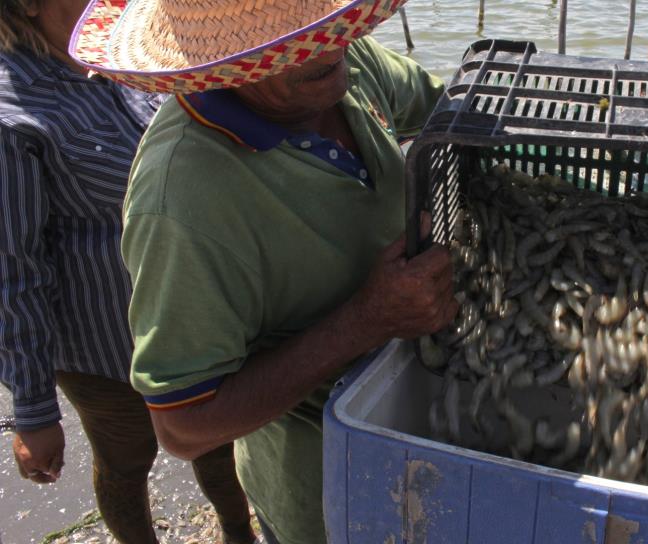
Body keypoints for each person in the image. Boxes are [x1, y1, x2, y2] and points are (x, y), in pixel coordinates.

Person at [70, 1, 457, 542]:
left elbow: (450, 115)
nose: (330, 46)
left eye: (328, 25)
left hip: (429, 406)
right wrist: (367, 319)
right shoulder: (183, 202)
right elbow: (184, 425)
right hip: (327, 484)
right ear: (222, 67)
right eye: (293, 42)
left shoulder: (339, 63)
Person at [0, 1, 256, 543]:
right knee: (124, 461)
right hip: (106, 346)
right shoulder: (11, 111)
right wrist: (33, 407)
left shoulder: (128, 49)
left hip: (200, 315)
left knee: (220, 444)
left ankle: (240, 533)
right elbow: (14, 270)